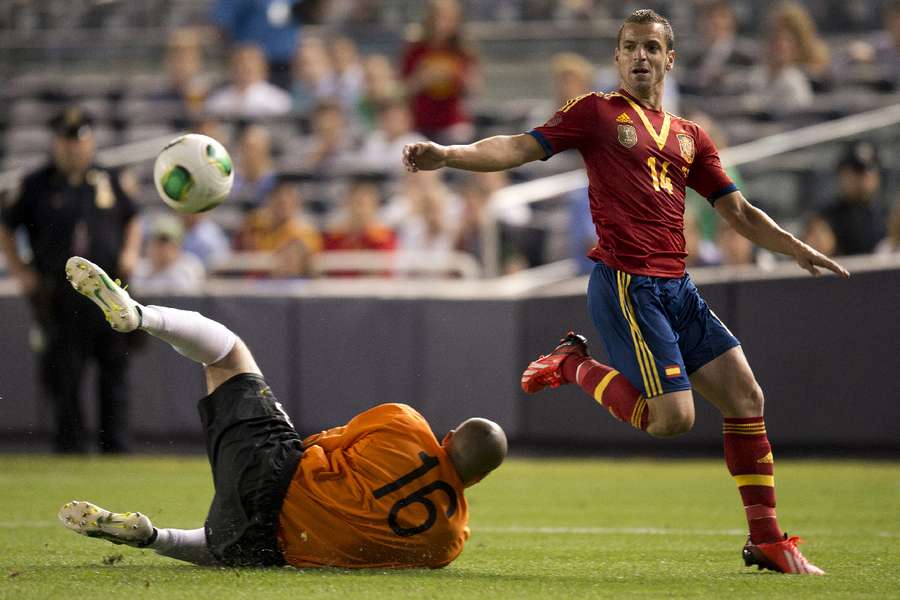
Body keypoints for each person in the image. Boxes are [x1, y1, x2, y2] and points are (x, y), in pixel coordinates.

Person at [403, 9, 849, 575]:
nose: (641, 56)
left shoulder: (692, 137)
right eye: (631, 47)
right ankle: (572, 365)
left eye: (652, 48)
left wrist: (795, 247)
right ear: (617, 58)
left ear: (670, 59)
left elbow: (736, 211)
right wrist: (449, 156)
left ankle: (768, 540)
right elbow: (519, 146)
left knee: (747, 400)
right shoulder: (595, 113)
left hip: (678, 287)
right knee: (673, 420)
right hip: (626, 285)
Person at [58, 256, 506, 568]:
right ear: (480, 480)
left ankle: (139, 315)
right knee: (225, 547)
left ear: (448, 437)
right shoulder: (449, 541)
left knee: (228, 351)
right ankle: (154, 537)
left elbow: (324, 443)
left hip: (275, 472)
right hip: (273, 545)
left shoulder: (406, 425)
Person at [0, 106, 142, 453]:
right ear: (55, 142)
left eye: (80, 140)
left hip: (110, 293)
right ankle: (70, 448)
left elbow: (133, 217)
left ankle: (116, 449)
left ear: (91, 142)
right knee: (64, 376)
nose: (74, 148)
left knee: (114, 374)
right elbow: (5, 225)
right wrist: (21, 271)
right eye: (67, 140)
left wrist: (130, 254)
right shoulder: (34, 184)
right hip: (58, 296)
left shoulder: (110, 178)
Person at [400, 0, 480, 144]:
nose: (443, 24)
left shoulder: (463, 52)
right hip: (421, 124)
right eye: (439, 17)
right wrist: (421, 80)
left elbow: (474, 89)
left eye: (449, 19)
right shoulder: (415, 50)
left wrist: (458, 77)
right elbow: (403, 90)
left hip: (453, 124)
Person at [816, 141, 886, 256]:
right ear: (842, 173)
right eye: (856, 171)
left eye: (868, 170)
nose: (863, 177)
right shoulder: (826, 217)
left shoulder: (887, 216)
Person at [206, 44, 293, 119]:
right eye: (240, 64)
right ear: (232, 68)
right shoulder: (218, 100)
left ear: (262, 68)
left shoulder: (278, 100)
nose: (245, 68)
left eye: (251, 65)